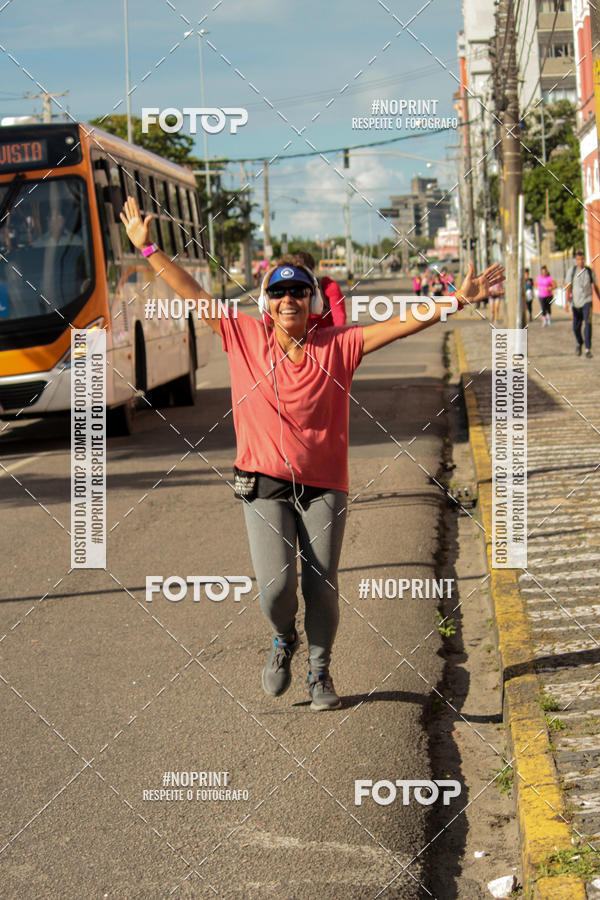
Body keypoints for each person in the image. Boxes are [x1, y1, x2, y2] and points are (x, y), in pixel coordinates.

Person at [120, 195, 504, 711]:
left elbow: (403, 323)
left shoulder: (339, 345)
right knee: (277, 588)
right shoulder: (243, 335)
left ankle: (320, 672)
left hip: (324, 484)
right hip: (262, 480)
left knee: (321, 586)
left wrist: (455, 300)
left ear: (312, 301)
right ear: (266, 302)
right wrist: (148, 247)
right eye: (278, 292)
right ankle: (284, 637)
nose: (288, 300)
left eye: (298, 291)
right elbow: (191, 291)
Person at [282, 250, 346, 328]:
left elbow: (339, 318)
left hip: (327, 334)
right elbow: (268, 323)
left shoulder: (328, 286)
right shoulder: (284, 292)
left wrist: (338, 334)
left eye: (303, 275)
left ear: (312, 272)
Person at [565, 249, 600, 358]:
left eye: (582, 259)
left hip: (587, 301)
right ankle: (579, 342)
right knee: (576, 327)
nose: (581, 261)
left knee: (588, 324)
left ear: (584, 259)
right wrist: (566, 302)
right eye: (579, 259)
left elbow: (595, 286)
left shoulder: (589, 271)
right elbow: (568, 287)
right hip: (576, 303)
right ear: (576, 260)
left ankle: (588, 349)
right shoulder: (572, 271)